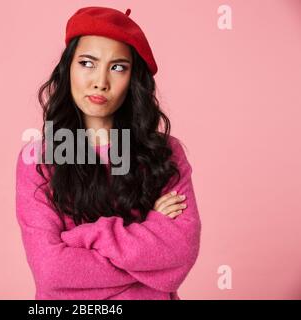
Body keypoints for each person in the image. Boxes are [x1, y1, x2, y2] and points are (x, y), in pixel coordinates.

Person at [15, 6, 201, 300]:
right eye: (87, 63)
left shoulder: (165, 153)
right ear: (68, 68)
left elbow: (179, 255)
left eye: (117, 67)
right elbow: (51, 271)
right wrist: (150, 239)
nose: (100, 81)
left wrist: (85, 236)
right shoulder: (39, 159)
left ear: (133, 79)